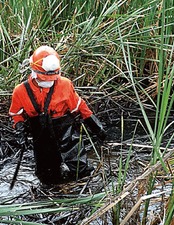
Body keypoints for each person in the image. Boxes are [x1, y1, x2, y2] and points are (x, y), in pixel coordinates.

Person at [9, 45, 106, 185]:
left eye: (52, 78)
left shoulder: (65, 84)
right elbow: (16, 114)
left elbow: (79, 106)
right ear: (33, 71)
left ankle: (80, 193)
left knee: (81, 169)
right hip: (41, 137)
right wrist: (19, 129)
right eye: (45, 78)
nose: (48, 81)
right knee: (47, 176)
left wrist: (95, 126)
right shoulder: (20, 91)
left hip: (66, 131)